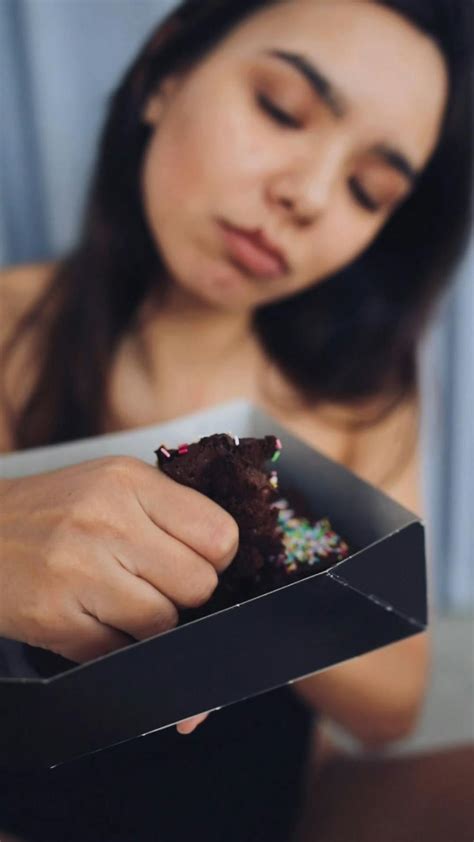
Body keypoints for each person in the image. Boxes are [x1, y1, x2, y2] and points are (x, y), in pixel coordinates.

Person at [0, 1, 472, 840]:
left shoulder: (353, 395)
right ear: (165, 75)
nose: (309, 195)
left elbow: (392, 706)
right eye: (281, 109)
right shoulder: (9, 332)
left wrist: (263, 548)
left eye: (370, 190)